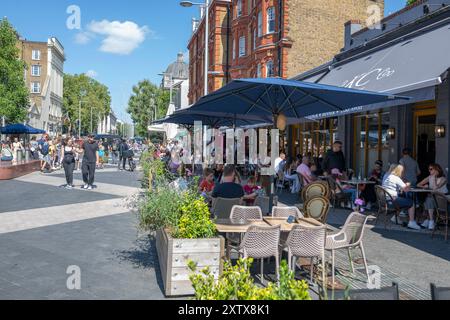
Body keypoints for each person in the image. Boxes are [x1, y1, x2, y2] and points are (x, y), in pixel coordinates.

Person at [382, 164, 421, 230]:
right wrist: (408, 184)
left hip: (385, 200)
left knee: (403, 199)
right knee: (411, 203)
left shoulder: (386, 175)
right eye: (402, 171)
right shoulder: (396, 178)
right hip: (392, 201)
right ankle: (411, 222)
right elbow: (406, 189)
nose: (402, 173)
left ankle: (395, 217)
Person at [417, 163, 448, 230]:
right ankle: (430, 220)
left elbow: (436, 187)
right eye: (429, 169)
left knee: (428, 199)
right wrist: (424, 186)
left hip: (442, 200)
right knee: (428, 200)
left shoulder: (443, 179)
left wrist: (434, 178)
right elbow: (418, 184)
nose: (429, 171)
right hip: (433, 198)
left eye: (431, 169)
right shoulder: (430, 177)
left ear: (437, 169)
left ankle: (429, 220)